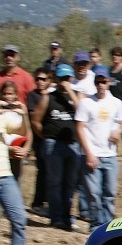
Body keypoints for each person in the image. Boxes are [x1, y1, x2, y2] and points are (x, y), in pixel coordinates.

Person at [30, 63, 83, 231]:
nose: (64, 81)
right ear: (56, 79)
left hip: (73, 144)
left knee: (70, 183)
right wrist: (46, 136)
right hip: (54, 144)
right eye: (62, 78)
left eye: (67, 78)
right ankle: (56, 218)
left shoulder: (76, 96)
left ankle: (68, 217)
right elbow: (35, 121)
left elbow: (83, 112)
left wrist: (70, 93)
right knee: (55, 182)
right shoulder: (48, 97)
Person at [75, 65, 122, 230]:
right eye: (98, 82)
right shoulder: (86, 103)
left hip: (110, 154)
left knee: (109, 193)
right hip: (92, 154)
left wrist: (118, 132)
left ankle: (108, 225)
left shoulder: (116, 103)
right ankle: (96, 225)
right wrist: (88, 153)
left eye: (104, 81)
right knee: (94, 193)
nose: (101, 85)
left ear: (109, 82)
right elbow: (80, 128)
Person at [0, 132, 42, 245]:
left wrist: (23, 148)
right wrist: (9, 149)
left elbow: (27, 132)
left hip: (5, 175)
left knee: (19, 216)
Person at [26, 68, 51, 215]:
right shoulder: (32, 96)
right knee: (42, 171)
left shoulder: (52, 95)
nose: (40, 82)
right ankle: (37, 203)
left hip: (51, 138)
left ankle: (48, 201)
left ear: (49, 80)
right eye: (38, 79)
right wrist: (43, 135)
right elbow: (33, 117)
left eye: (43, 79)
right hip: (40, 139)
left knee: (51, 172)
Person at [0, 80, 29, 180]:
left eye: (10, 94)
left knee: (15, 181)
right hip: (2, 153)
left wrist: (24, 114)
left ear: (16, 95)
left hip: (15, 153)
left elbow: (25, 132)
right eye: (4, 94)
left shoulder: (19, 109)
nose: (7, 97)